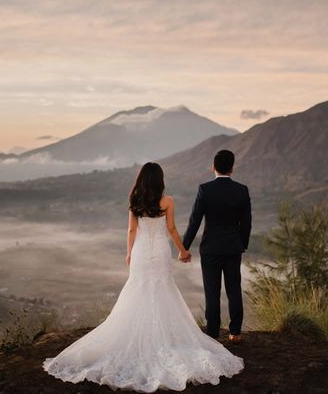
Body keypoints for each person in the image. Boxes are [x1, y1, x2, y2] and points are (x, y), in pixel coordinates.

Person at [42, 162, 243, 392]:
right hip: (159, 252)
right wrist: (183, 251)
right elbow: (172, 229)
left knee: (138, 291)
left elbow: (131, 231)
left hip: (140, 253)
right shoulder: (168, 201)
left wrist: (129, 253)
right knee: (163, 291)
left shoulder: (135, 201)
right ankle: (164, 339)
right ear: (160, 180)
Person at [182, 149, 252, 341]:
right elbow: (246, 223)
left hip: (211, 248)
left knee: (212, 291)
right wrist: (242, 244)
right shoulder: (242, 190)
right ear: (232, 168)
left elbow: (194, 220)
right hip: (233, 247)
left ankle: (212, 333)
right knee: (234, 289)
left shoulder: (205, 189)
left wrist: (184, 246)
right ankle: (235, 332)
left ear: (213, 167)